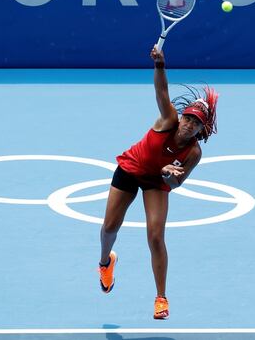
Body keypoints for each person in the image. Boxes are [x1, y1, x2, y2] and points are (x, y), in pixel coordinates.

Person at [98, 46, 218, 320]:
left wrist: (168, 175)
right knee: (109, 228)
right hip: (131, 168)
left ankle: (161, 298)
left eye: (196, 123)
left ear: (202, 129)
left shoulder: (194, 153)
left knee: (155, 236)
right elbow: (161, 92)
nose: (188, 124)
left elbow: (176, 185)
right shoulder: (168, 120)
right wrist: (160, 66)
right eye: (187, 118)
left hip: (156, 181)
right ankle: (105, 262)